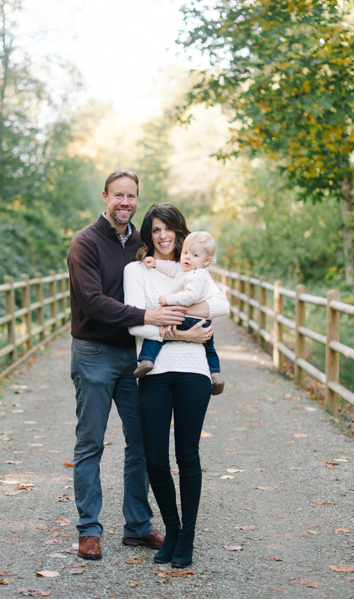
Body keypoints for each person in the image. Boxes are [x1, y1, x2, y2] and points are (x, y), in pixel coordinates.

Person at [66, 170, 187, 561]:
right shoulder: (85, 243)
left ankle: (137, 525)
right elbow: (92, 301)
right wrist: (146, 316)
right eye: (118, 195)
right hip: (95, 353)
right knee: (91, 443)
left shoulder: (141, 241)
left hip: (136, 357)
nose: (125, 202)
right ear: (105, 197)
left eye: (131, 196)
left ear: (137, 199)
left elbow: (174, 272)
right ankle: (89, 530)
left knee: (142, 442)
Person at [124, 204, 230, 569]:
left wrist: (172, 321)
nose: (163, 236)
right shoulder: (136, 270)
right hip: (153, 372)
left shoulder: (196, 269)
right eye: (155, 230)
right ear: (148, 235)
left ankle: (187, 538)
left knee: (187, 455)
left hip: (193, 371)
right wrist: (184, 331)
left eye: (169, 229)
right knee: (154, 458)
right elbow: (136, 324)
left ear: (179, 232)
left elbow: (222, 306)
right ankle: (171, 530)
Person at [134, 231, 225, 395]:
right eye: (185, 253)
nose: (187, 258)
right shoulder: (187, 269)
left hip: (187, 318)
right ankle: (216, 375)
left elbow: (191, 296)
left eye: (194, 255)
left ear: (206, 261)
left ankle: (147, 360)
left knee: (159, 332)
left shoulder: (197, 276)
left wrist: (170, 300)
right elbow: (172, 267)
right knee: (209, 349)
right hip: (204, 322)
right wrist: (155, 263)